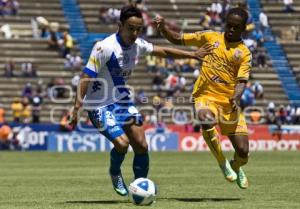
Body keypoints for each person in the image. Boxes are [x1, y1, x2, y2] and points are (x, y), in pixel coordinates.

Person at [69, 5, 212, 197]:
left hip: (122, 102)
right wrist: (76, 107)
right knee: (122, 144)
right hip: (99, 105)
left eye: (139, 29)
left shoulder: (138, 45)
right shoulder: (104, 47)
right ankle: (114, 172)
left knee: (142, 145)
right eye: (131, 28)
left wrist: (192, 55)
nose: (135, 33)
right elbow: (85, 77)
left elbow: (164, 51)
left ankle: (140, 188)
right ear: (120, 25)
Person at [154, 7, 252, 189]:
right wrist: (164, 29)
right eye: (228, 25)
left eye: (235, 27)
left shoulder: (244, 53)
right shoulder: (210, 37)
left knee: (243, 152)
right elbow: (178, 39)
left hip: (229, 102)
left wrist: (236, 97)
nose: (230, 29)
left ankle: (236, 166)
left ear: (243, 29)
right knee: (206, 119)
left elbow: (242, 80)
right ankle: (223, 163)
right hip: (205, 96)